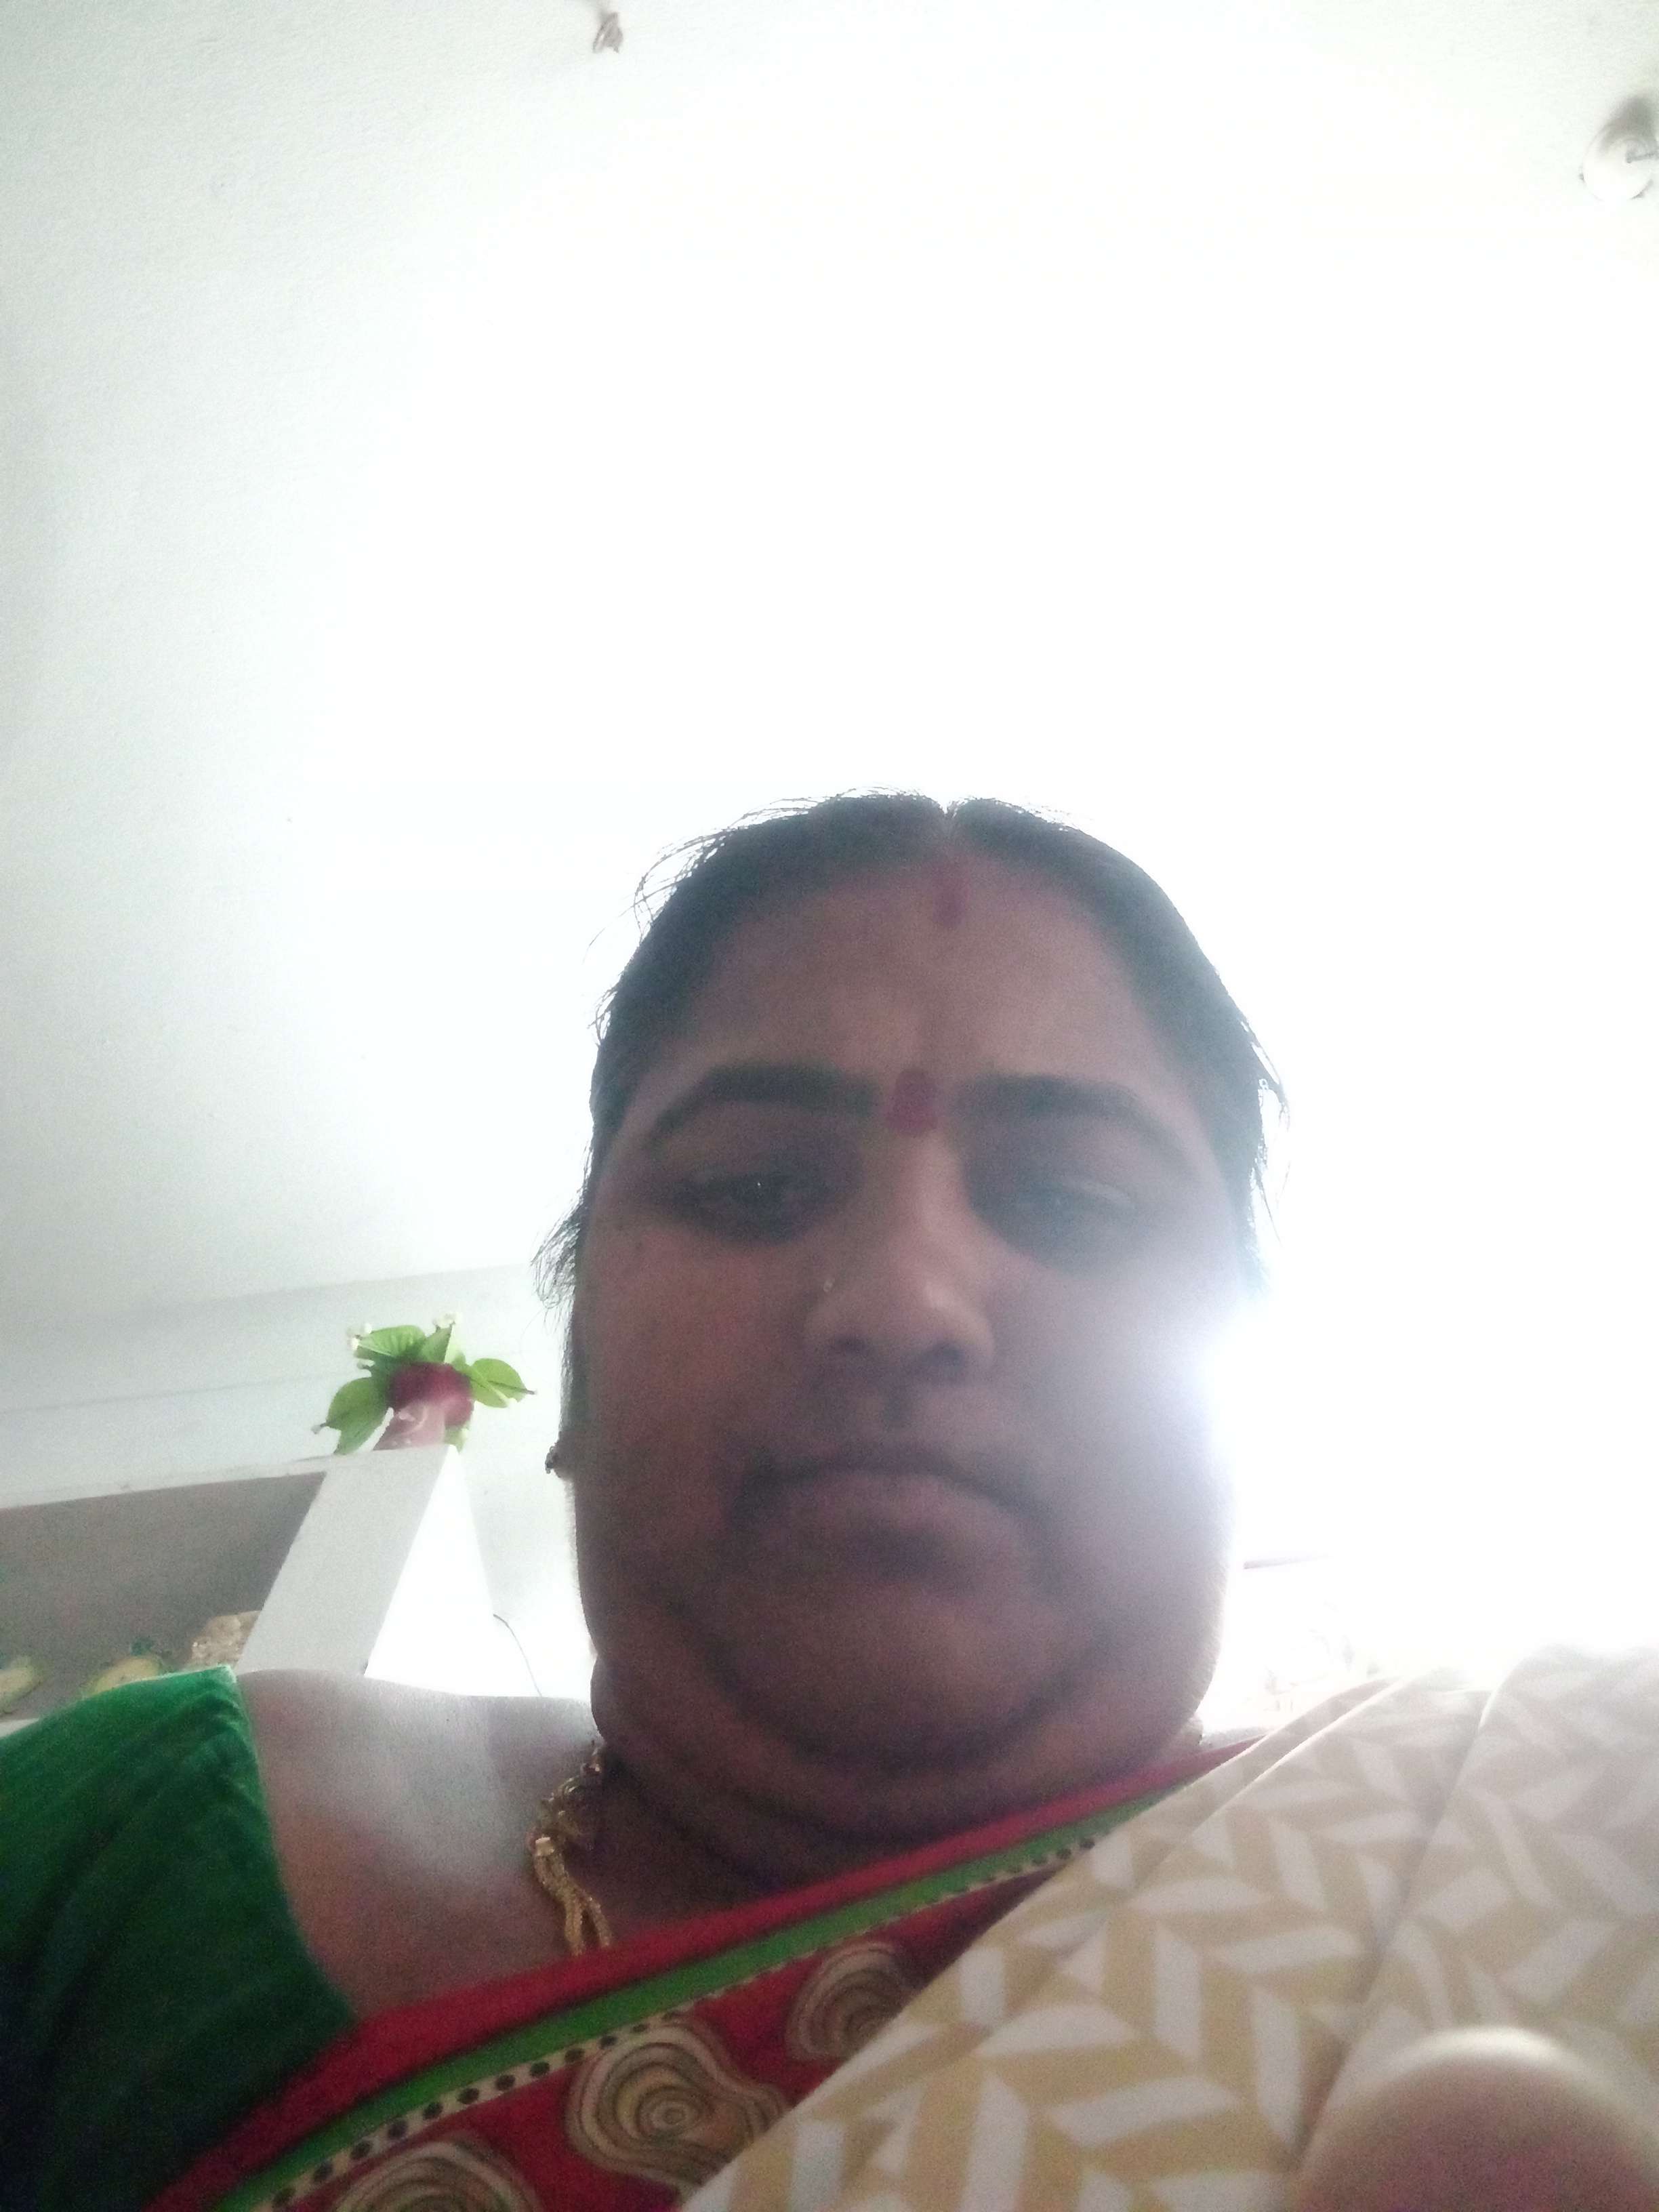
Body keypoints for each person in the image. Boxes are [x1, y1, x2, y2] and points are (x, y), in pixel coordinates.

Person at [2, 794, 1654, 2212]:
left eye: (1072, 1203)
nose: (905, 1300)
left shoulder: (1566, 1832)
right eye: (754, 1185)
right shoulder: (130, 1845)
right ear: (573, 1376)